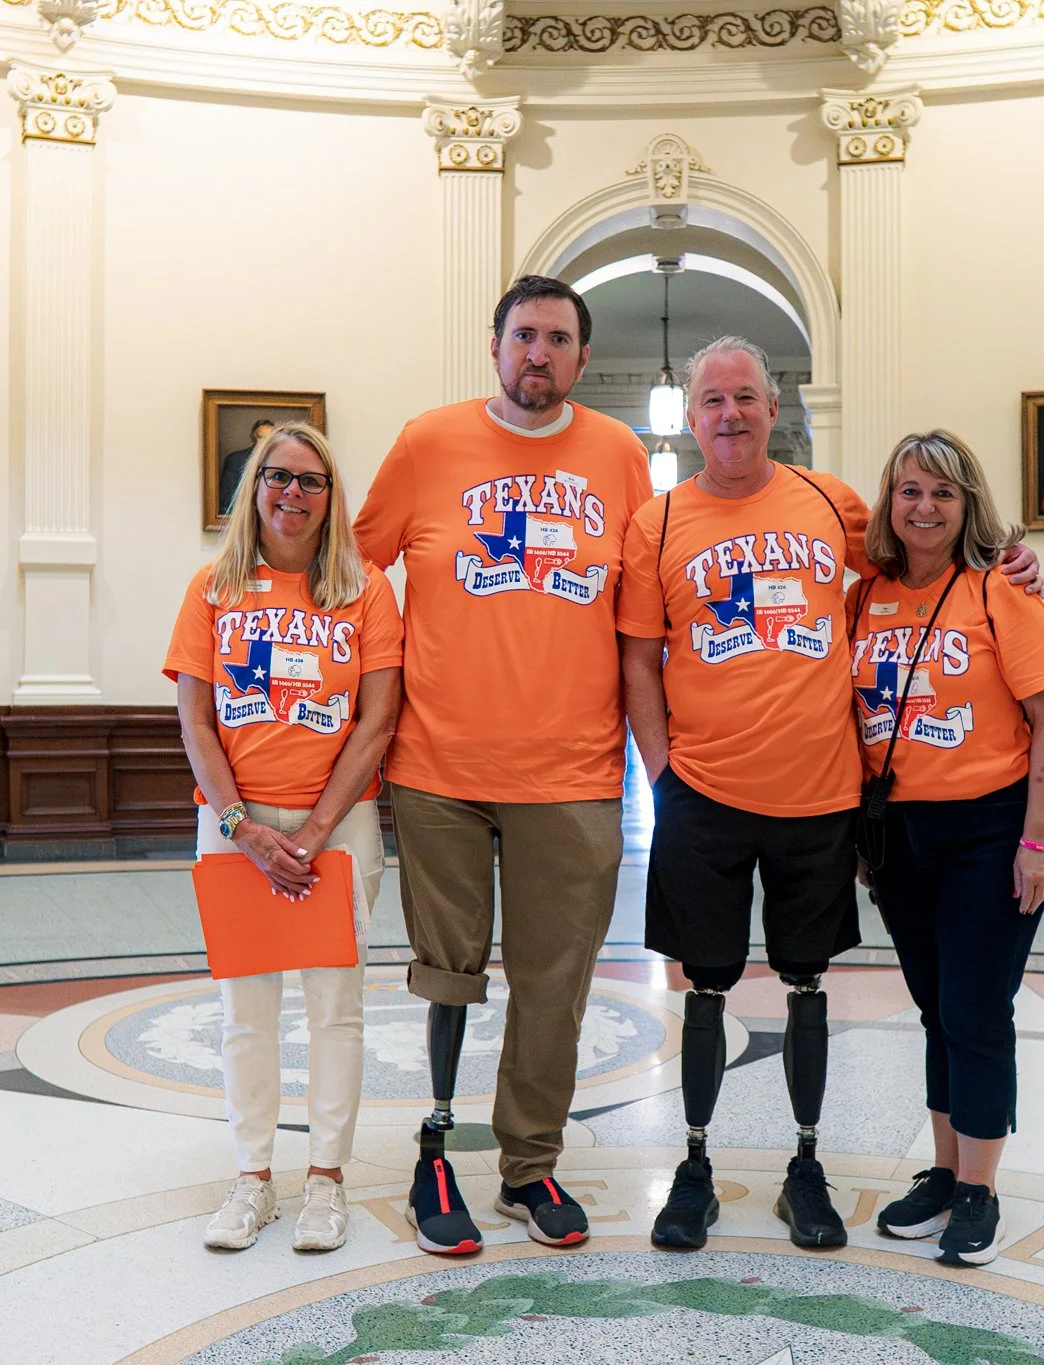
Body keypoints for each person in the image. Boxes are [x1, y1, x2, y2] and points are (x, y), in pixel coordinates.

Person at [619, 339, 1044, 1254]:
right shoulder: (655, 523)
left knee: (809, 984)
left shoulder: (829, 501)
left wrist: (1013, 559)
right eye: (711, 401)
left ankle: (805, 1167)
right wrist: (660, 775)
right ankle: (691, 1168)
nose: (729, 413)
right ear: (690, 419)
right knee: (704, 988)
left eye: (746, 397)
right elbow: (636, 662)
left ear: (775, 411)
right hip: (703, 795)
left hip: (820, 800)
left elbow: (922, 549)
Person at [353, 276, 653, 1256]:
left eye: (558, 339)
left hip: (571, 774)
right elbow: (349, 573)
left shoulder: (615, 455)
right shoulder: (426, 442)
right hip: (437, 764)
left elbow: (646, 599)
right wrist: (387, 678)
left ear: (579, 358)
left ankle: (529, 1166)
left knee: (554, 983)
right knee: (446, 976)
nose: (538, 353)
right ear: (494, 347)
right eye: (523, 335)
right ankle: (434, 1149)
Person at [164, 422, 403, 1255]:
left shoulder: (364, 591)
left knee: (336, 1010)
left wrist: (311, 829)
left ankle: (327, 1181)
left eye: (311, 481)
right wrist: (245, 828)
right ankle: (254, 1177)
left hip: (337, 827)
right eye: (278, 477)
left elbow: (376, 724)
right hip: (232, 825)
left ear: (332, 497)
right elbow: (195, 718)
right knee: (245, 1012)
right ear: (253, 488)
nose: (293, 495)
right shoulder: (211, 590)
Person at [856, 430, 1044, 1268]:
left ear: (968, 504)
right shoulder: (863, 597)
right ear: (891, 502)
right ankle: (945, 1173)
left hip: (989, 831)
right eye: (910, 490)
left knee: (977, 1011)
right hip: (900, 835)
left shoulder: (1000, 593)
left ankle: (981, 1187)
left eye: (943, 493)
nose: (925, 507)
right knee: (935, 1007)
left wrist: (1039, 840)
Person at [220, 419, 279, 517]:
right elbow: (226, 502)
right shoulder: (235, 460)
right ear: (254, 438)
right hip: (242, 516)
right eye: (262, 438)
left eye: (271, 438)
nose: (266, 442)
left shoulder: (283, 462)